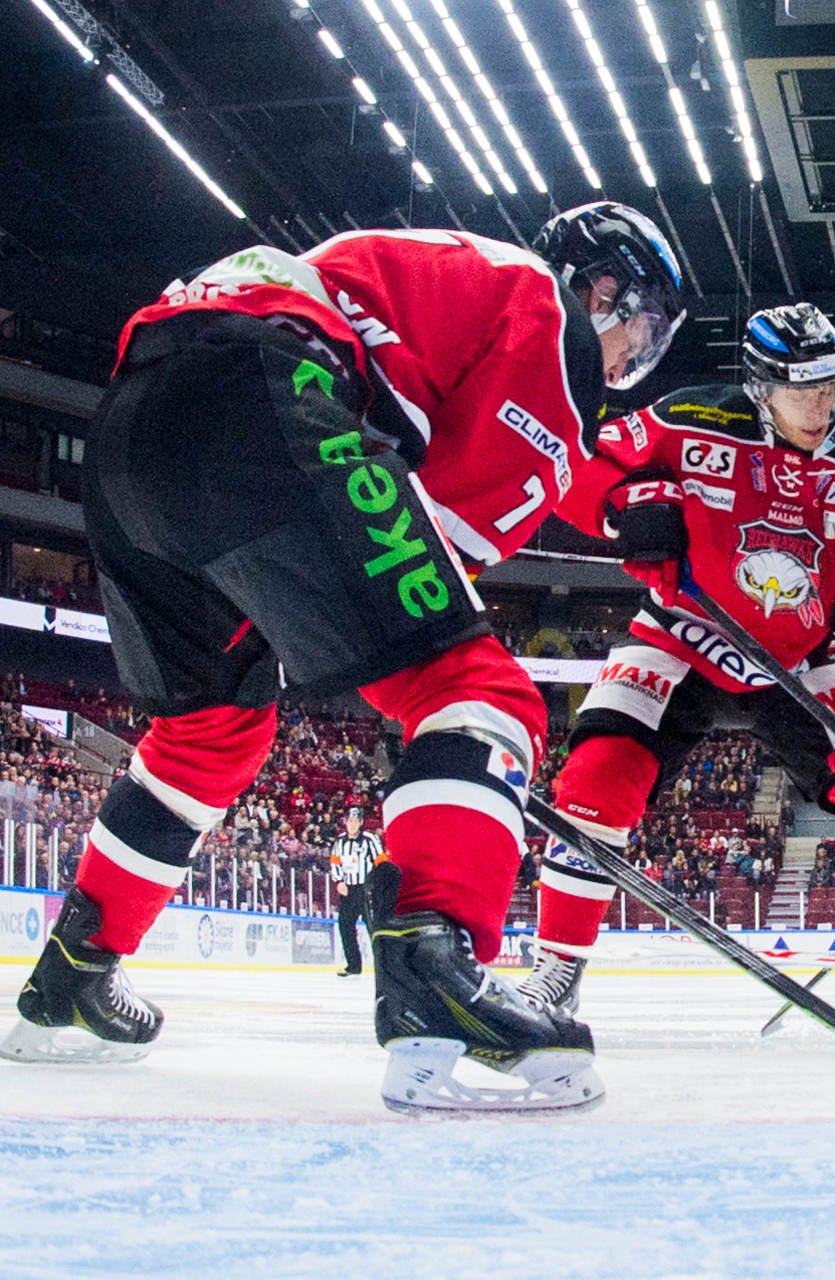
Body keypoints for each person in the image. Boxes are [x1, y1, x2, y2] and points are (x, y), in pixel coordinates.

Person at [1, 201, 685, 1114]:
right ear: (603, 287)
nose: (628, 359)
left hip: (134, 427)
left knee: (210, 733)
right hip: (262, 395)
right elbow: (447, 532)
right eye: (639, 329)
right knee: (477, 691)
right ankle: (434, 979)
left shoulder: (422, 265)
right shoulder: (548, 312)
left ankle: (70, 981)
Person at [517, 303, 835, 1024]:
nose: (819, 406)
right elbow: (584, 463)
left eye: (830, 387)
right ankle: (556, 966)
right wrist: (629, 505)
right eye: (802, 390)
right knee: (597, 774)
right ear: (761, 386)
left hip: (805, 655)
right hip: (682, 629)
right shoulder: (687, 419)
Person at [327, 805, 383, 977]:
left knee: (374, 929)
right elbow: (335, 862)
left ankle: (383, 967)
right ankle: (353, 965)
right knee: (345, 926)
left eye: (355, 821)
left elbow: (381, 862)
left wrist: (376, 884)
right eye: (349, 820)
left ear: (360, 822)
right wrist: (339, 881)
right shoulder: (340, 841)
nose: (351, 824)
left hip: (366, 891)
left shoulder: (369, 840)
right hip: (348, 891)